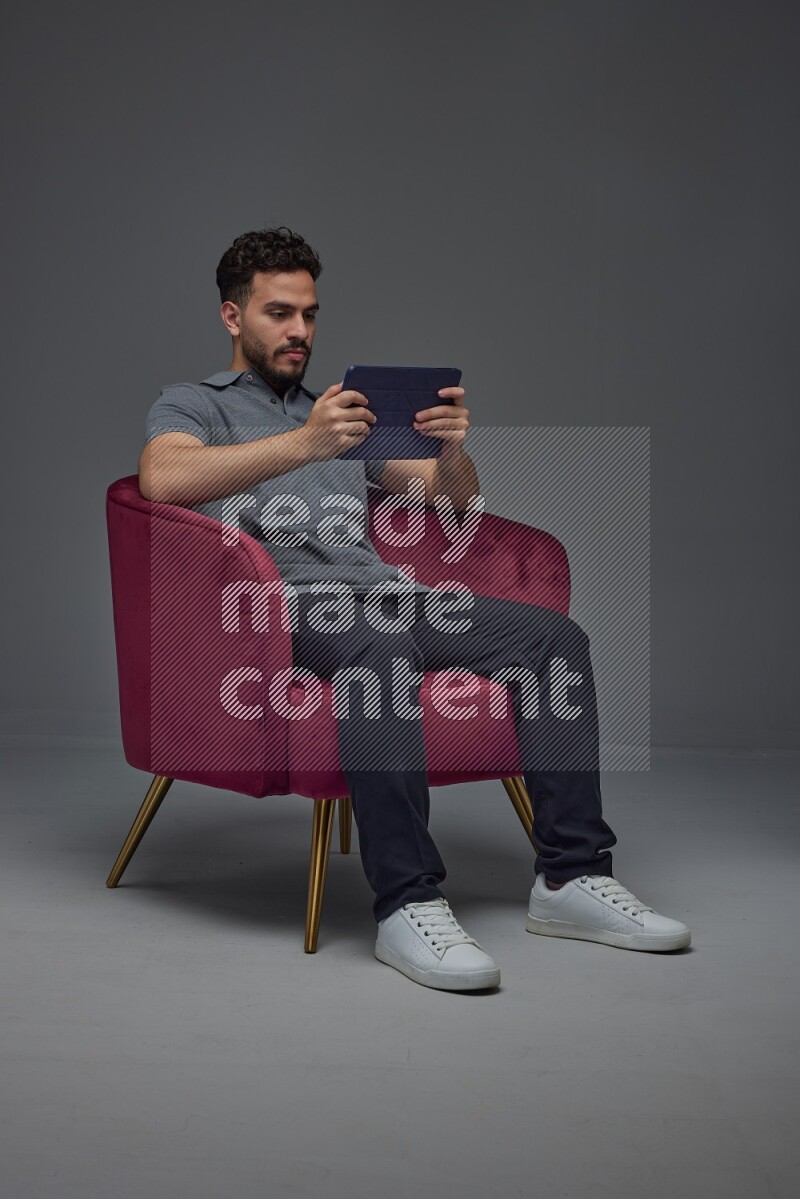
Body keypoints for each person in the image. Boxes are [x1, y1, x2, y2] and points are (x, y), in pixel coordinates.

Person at [140, 225, 691, 992]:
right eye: (278, 313)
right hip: (283, 610)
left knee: (554, 641)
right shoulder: (195, 403)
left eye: (309, 313)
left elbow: (451, 503)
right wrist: (303, 444)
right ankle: (407, 903)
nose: (299, 330)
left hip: (389, 597)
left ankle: (570, 879)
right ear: (233, 317)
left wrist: (452, 447)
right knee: (378, 649)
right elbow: (162, 481)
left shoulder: (340, 410)